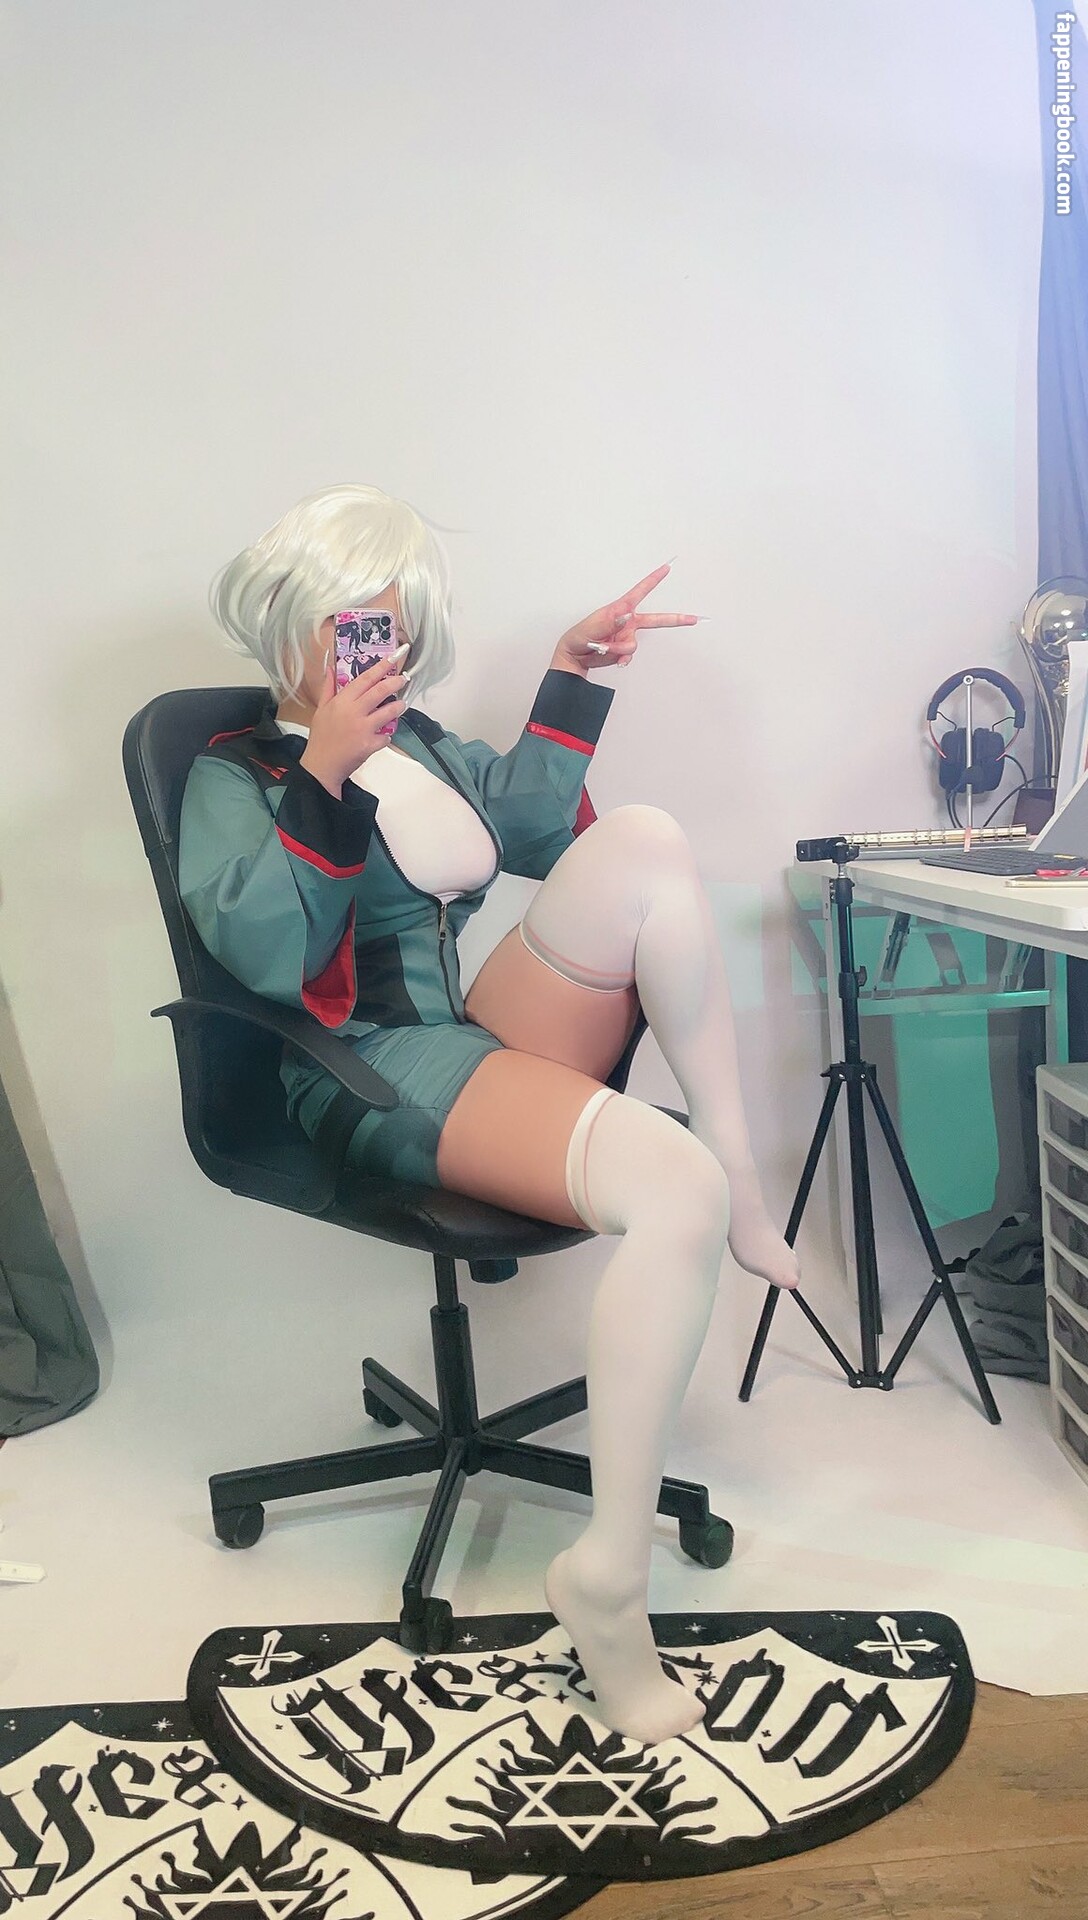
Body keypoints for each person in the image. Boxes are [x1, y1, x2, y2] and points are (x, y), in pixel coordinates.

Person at [179, 483, 799, 1746]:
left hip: (466, 1028)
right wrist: (324, 770)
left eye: (397, 624)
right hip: (362, 1062)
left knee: (641, 835)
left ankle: (737, 1154)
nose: (382, 651)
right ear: (292, 623)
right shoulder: (237, 773)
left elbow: (528, 830)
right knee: (669, 1190)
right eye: (355, 624)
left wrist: (571, 674)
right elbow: (264, 954)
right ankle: (605, 1583)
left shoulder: (418, 743)